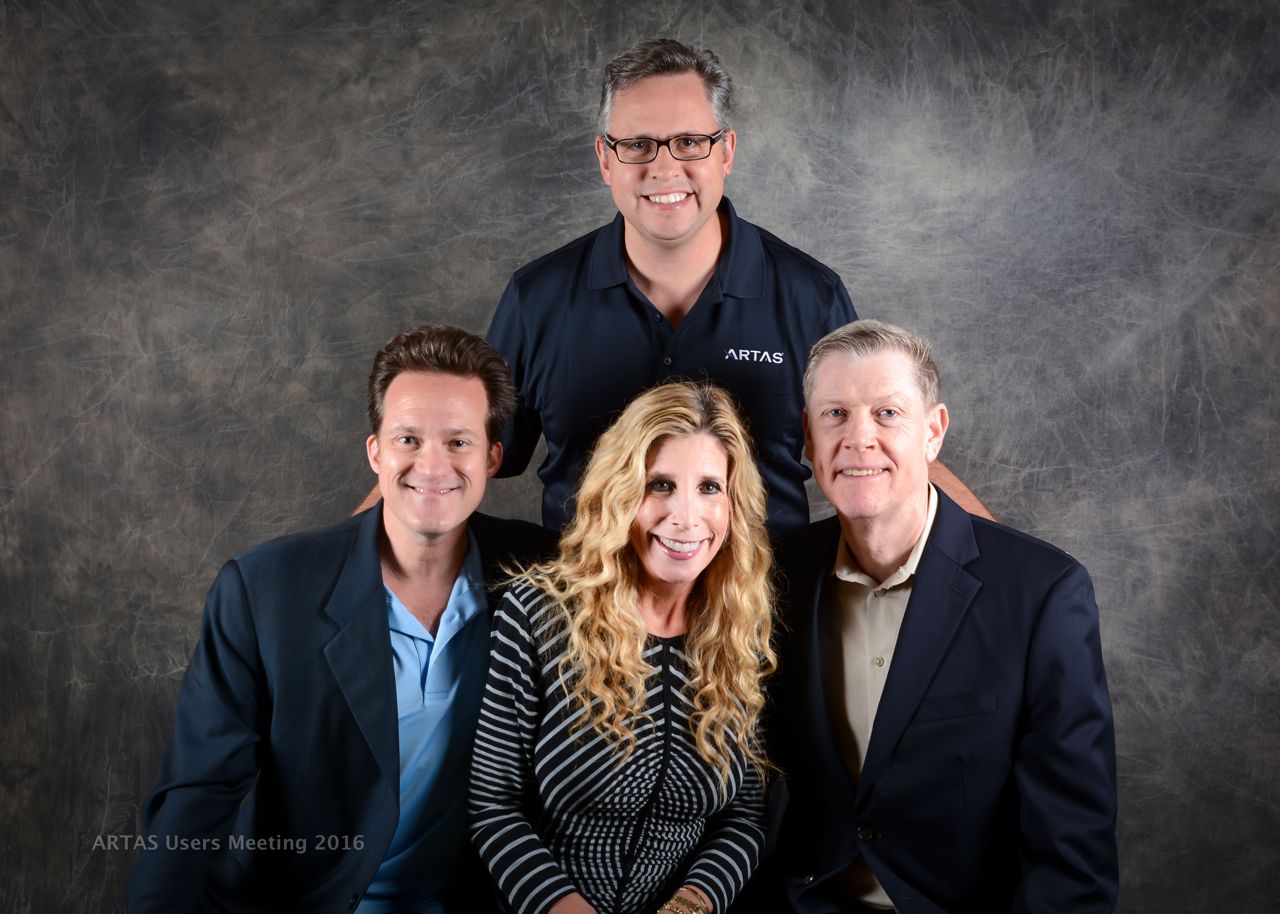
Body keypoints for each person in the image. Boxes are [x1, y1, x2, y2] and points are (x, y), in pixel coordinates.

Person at [486, 38, 989, 536]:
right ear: (604, 158)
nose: (664, 168)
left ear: (725, 151)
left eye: (689, 142)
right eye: (638, 145)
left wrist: (1002, 560)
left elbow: (874, 449)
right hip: (585, 587)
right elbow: (471, 455)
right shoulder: (536, 299)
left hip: (768, 588)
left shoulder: (810, 297)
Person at [127, 326, 553, 913]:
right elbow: (197, 796)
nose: (432, 465)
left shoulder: (543, 574)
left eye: (459, 442)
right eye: (408, 439)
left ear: (493, 458)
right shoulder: (264, 591)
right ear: (375, 452)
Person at [762, 320, 1118, 913]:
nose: (859, 438)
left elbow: (1072, 853)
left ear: (933, 432)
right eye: (835, 415)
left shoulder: (1042, 594)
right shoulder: (774, 578)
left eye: (887, 414)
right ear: (808, 437)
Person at [469, 381, 775, 914]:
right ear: (619, 492)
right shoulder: (539, 614)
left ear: (734, 505)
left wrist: (687, 908)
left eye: (709, 487)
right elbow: (493, 807)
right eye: (660, 485)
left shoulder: (737, 630)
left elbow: (745, 817)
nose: (686, 517)